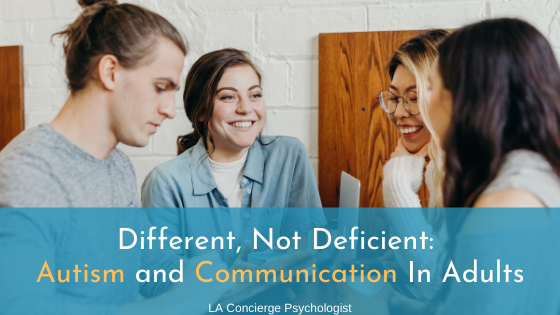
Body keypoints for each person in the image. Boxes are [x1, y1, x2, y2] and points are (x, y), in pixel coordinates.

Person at [0, 0, 231, 314]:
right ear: (109, 72)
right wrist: (180, 302)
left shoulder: (118, 165)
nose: (169, 110)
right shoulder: (28, 174)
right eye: (161, 87)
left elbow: (149, 265)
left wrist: (219, 278)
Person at [141, 48, 326, 266]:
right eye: (228, 97)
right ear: (200, 111)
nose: (246, 108)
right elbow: (159, 273)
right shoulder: (166, 182)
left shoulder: (289, 155)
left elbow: (309, 250)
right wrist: (231, 280)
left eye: (255, 95)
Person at [427, 18, 560, 314]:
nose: (426, 104)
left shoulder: (507, 205)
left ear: (465, 99)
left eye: (429, 87)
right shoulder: (538, 174)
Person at [378, 30, 449, 300]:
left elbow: (436, 284)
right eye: (394, 97)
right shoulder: (438, 166)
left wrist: (396, 182)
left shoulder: (473, 168)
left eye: (414, 97)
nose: (398, 112)